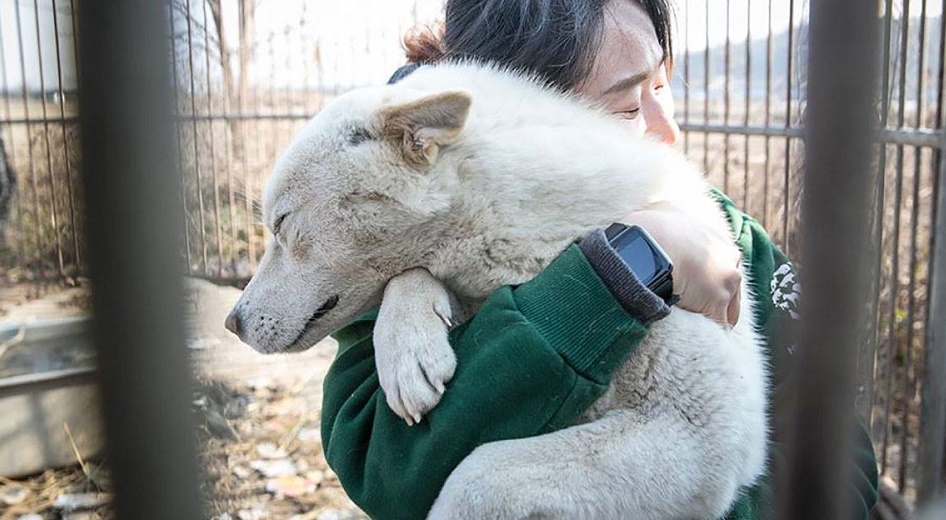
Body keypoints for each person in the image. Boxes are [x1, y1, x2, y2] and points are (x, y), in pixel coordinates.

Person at [320, 1, 879, 518]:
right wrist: (624, 269)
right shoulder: (407, 236)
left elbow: (842, 462)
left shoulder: (727, 239)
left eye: (664, 84)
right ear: (519, 116)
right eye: (630, 104)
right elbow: (385, 475)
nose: (669, 129)